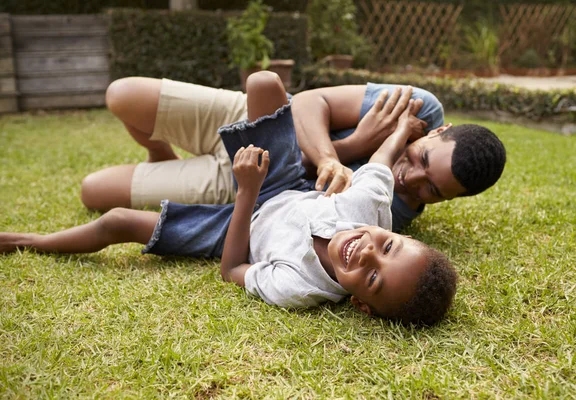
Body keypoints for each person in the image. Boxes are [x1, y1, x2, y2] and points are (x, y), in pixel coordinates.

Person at [0, 72, 456, 326]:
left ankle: (31, 241)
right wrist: (400, 130)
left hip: (237, 224)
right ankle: (164, 152)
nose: (368, 251)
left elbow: (232, 268)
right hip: (286, 181)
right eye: (388, 245)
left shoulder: (300, 288)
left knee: (117, 220)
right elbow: (380, 161)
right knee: (263, 83)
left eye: (372, 277)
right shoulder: (372, 209)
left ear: (359, 303)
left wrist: (247, 194)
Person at [80, 76, 461, 231]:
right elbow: (310, 103)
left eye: (433, 191)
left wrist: (351, 147)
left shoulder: (391, 211)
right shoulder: (419, 108)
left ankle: (170, 170)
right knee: (121, 94)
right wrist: (332, 158)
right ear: (439, 131)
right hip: (252, 115)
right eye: (422, 159)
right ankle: (159, 155)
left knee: (93, 191)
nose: (409, 179)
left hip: (246, 179)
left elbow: (293, 190)